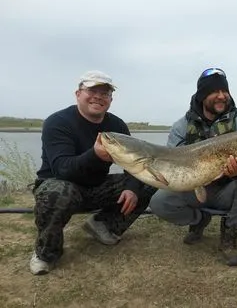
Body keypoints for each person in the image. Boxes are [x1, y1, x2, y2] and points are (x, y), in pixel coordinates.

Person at [30, 70, 157, 275]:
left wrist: (133, 188)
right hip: (60, 184)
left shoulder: (116, 125)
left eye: (105, 93)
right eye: (92, 90)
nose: (98, 96)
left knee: (151, 179)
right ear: (78, 94)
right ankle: (46, 253)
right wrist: (95, 155)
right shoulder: (57, 122)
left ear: (110, 99)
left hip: (97, 186)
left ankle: (105, 226)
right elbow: (62, 169)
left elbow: (135, 165)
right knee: (57, 192)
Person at [149, 68, 237, 267]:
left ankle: (230, 235)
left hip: (229, 188)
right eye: (215, 91)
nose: (222, 96)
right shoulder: (181, 127)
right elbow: (173, 163)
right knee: (160, 202)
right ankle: (199, 220)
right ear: (203, 95)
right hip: (193, 188)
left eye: (225, 91)